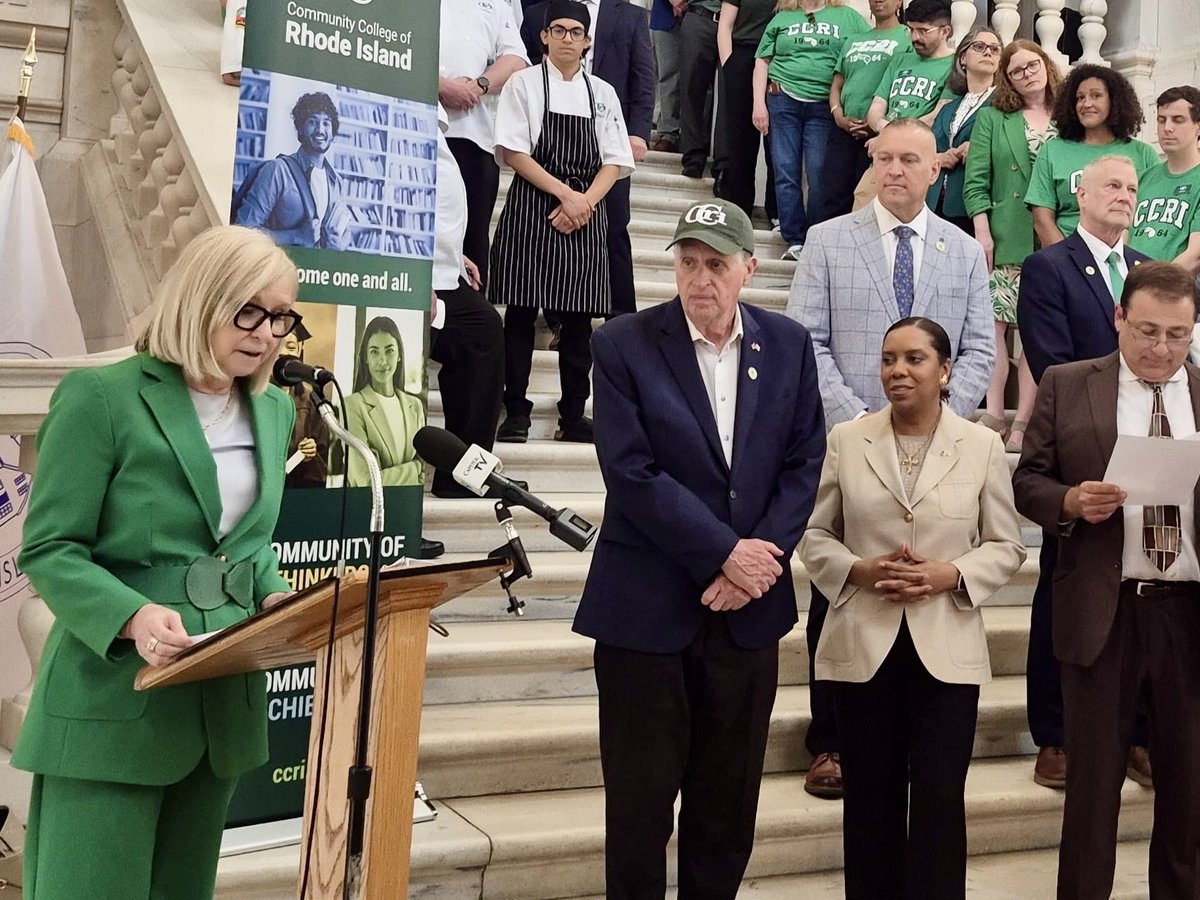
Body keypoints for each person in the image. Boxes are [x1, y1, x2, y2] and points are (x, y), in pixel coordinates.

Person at [12, 225, 299, 899]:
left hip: (219, 703)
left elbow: (244, 544)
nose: (266, 334)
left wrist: (276, 597)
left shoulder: (275, 409)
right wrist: (132, 615)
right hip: (115, 695)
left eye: (281, 316)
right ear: (201, 299)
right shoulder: (101, 398)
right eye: (248, 311)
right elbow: (50, 547)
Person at [574, 197, 826, 898]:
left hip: (746, 616)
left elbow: (804, 463)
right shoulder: (623, 344)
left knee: (726, 807)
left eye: (716, 264)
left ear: (749, 269)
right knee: (639, 807)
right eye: (688, 262)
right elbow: (631, 471)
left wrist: (756, 562)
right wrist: (725, 553)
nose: (700, 278)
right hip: (645, 613)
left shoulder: (789, 345)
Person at [787, 116, 994, 799]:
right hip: (849, 441)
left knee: (924, 582)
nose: (895, 169)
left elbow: (979, 348)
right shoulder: (827, 240)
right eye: (885, 158)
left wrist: (939, 421)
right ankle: (831, 740)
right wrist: (862, 423)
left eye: (910, 159)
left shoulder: (963, 251)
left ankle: (913, 734)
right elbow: (807, 341)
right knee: (843, 584)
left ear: (936, 170)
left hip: (941, 449)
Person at [800, 317, 1025, 900]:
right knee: (868, 803)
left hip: (946, 648)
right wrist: (860, 568)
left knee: (939, 803)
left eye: (914, 359)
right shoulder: (847, 440)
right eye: (888, 359)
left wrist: (952, 573)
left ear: (945, 371)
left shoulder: (981, 445)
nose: (897, 371)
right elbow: (815, 535)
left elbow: (1006, 545)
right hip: (863, 644)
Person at [1012, 261, 1200, 900]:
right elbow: (1027, 482)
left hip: (1188, 613)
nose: (1161, 349)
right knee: (1092, 791)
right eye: (1147, 331)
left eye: (1177, 335)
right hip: (1105, 609)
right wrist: (1070, 501)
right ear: (1119, 318)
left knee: (1188, 788)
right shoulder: (1069, 384)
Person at [1016, 154, 1152, 791]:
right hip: (1079, 458)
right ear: (1082, 194)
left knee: (1146, 602)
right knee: (1061, 594)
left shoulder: (1147, 270)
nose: (1124, 195)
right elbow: (1051, 364)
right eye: (1112, 186)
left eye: (1132, 187)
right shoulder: (1050, 267)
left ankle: (1139, 733)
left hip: (1152, 455)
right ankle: (1055, 735)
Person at [490, 1, 634, 445]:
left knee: (578, 321)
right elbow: (514, 152)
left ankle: (572, 416)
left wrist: (583, 202)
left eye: (576, 32)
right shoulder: (523, 83)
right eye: (559, 30)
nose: (567, 38)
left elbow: (615, 160)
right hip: (533, 205)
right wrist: (566, 195)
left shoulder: (603, 92)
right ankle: (516, 411)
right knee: (519, 312)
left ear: (587, 40)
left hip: (586, 209)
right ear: (544, 36)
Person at [521, 0, 656, 316]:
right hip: (552, 144)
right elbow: (530, 67)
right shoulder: (540, 13)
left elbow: (643, 77)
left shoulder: (631, 15)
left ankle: (621, 319)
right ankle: (557, 317)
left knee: (614, 229)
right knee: (553, 227)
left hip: (609, 138)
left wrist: (638, 132)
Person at [963, 39, 1061, 454]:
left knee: (1036, 332)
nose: (1026, 74)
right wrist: (982, 230)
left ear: (1046, 65)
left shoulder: (1068, 115)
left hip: (1056, 235)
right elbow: (976, 180)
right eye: (1016, 70)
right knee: (995, 328)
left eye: (1032, 65)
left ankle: (1023, 419)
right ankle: (993, 414)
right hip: (1007, 233)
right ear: (1007, 78)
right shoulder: (992, 117)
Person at [752, 0, 869, 259]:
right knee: (785, 171)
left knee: (818, 174)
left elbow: (868, 49)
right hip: (782, 99)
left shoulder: (848, 17)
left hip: (824, 105)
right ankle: (794, 238)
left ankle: (814, 237)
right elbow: (762, 61)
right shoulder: (782, 17)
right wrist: (758, 104)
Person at [429, 104, 505, 499]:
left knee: (484, 330)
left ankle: (464, 474)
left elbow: (436, 211)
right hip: (407, 279)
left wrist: (455, 258)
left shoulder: (432, 130)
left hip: (443, 272)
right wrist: (415, 276)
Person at [439, 0, 529, 288]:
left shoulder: (497, 5)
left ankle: (471, 308)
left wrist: (479, 85)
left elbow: (516, 59)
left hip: (477, 136)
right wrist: (441, 86)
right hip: (419, 127)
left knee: (474, 235)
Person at [1026, 64, 1159, 248]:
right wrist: (1068, 259)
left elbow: (1151, 215)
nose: (1086, 104)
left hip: (1128, 256)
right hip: (1068, 255)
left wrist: (1119, 257)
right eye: (1080, 98)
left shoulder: (1143, 154)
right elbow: (1042, 219)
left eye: (1096, 96)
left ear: (1115, 101)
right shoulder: (1053, 151)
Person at [821, 0, 910, 221]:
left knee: (868, 204)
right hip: (843, 131)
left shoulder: (907, 37)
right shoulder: (854, 40)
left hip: (880, 135)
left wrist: (879, 124)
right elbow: (837, 84)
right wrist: (838, 116)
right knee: (831, 197)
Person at [234, 92, 349, 250]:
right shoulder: (277, 171)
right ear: (300, 129)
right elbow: (244, 230)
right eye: (312, 122)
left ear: (333, 132)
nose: (320, 130)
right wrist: (296, 236)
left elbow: (345, 226)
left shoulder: (336, 181)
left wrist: (342, 244)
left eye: (326, 123)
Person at [926, 28, 1000, 233]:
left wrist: (978, 148)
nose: (988, 52)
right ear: (963, 58)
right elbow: (928, 149)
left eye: (995, 49)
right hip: (934, 204)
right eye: (979, 47)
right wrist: (939, 158)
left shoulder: (1003, 104)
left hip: (974, 208)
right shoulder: (948, 108)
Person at [713, 0, 779, 221]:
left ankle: (776, 210)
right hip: (742, 56)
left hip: (779, 60)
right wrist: (728, 64)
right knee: (740, 141)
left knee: (778, 142)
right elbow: (725, 25)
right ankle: (739, 210)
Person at [343, 316, 426, 488]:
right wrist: (415, 467)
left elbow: (425, 474)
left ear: (399, 355)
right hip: (369, 502)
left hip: (408, 500)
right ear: (365, 358)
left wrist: (388, 473)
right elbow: (365, 480)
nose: (382, 361)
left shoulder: (415, 406)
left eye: (389, 351)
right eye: (374, 352)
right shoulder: (353, 405)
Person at [1130, 86, 1200, 275]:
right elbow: (1121, 238)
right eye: (1162, 120)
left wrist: (1151, 286)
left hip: (1176, 286)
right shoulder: (1142, 178)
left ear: (1198, 127)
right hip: (1128, 283)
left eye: (1178, 120)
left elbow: (1195, 256)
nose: (1167, 128)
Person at [864, 0, 955, 143]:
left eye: (923, 31)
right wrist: (884, 128)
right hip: (886, 140)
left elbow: (937, 115)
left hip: (921, 144)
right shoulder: (900, 60)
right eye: (911, 30)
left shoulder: (954, 65)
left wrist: (895, 133)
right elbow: (877, 107)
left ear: (945, 31)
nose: (914, 38)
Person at [275, 322, 330, 489]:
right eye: (277, 346)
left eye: (291, 347)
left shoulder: (310, 399)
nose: (283, 353)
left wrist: (310, 455)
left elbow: (323, 461)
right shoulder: (250, 396)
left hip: (297, 491)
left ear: (299, 350)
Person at [678, 0, 723, 178]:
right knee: (692, 89)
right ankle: (693, 157)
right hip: (701, 15)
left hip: (738, 21)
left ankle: (724, 163)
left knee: (731, 94)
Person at [649, 0, 684, 152]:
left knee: (701, 80)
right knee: (667, 75)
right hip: (665, 13)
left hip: (704, 12)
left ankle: (696, 136)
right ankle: (669, 133)